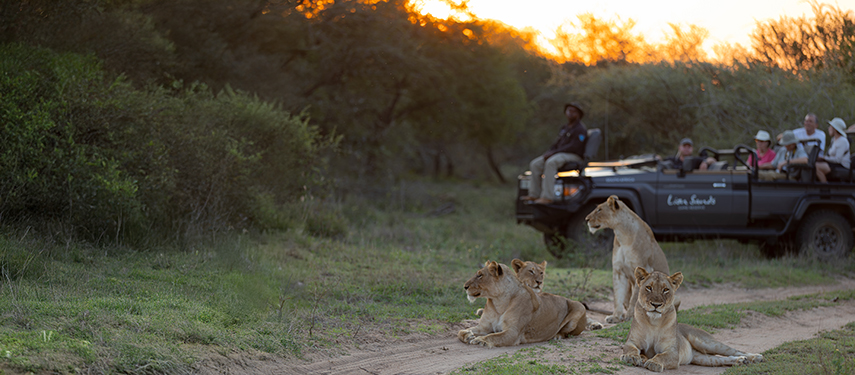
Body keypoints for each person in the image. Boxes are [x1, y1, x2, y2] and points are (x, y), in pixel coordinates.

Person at [522, 103, 587, 204]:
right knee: (535, 163)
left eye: (574, 111)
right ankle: (534, 195)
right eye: (569, 110)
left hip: (574, 155)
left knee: (551, 162)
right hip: (560, 154)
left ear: (578, 114)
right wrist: (549, 153)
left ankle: (547, 197)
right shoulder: (564, 128)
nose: (570, 113)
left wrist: (554, 153)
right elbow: (556, 144)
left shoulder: (580, 129)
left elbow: (574, 147)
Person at [816, 117, 850, 183]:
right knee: (814, 164)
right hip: (833, 163)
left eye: (830, 127)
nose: (829, 129)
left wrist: (824, 158)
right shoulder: (834, 140)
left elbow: (838, 160)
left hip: (841, 165)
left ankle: (825, 186)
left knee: (816, 166)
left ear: (834, 129)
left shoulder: (842, 141)